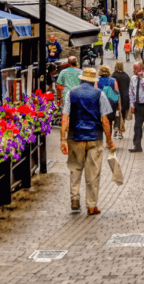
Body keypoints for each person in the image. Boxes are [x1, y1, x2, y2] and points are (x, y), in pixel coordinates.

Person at [61, 67, 115, 215]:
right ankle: (91, 206)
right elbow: (105, 120)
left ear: (81, 79)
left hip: (75, 137)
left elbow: (65, 117)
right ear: (93, 82)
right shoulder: (100, 94)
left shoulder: (71, 94)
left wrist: (62, 139)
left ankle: (75, 199)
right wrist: (109, 140)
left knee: (75, 169)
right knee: (93, 173)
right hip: (94, 138)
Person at [97, 64, 121, 136]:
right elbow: (117, 93)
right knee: (110, 121)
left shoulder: (97, 81)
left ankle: (104, 137)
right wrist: (119, 105)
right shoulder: (113, 80)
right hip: (112, 104)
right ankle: (109, 138)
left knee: (103, 120)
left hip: (101, 104)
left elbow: (95, 93)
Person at [113, 61, 132, 139]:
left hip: (116, 98)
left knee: (117, 114)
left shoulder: (114, 75)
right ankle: (120, 131)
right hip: (125, 98)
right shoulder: (126, 76)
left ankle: (116, 129)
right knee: (123, 115)